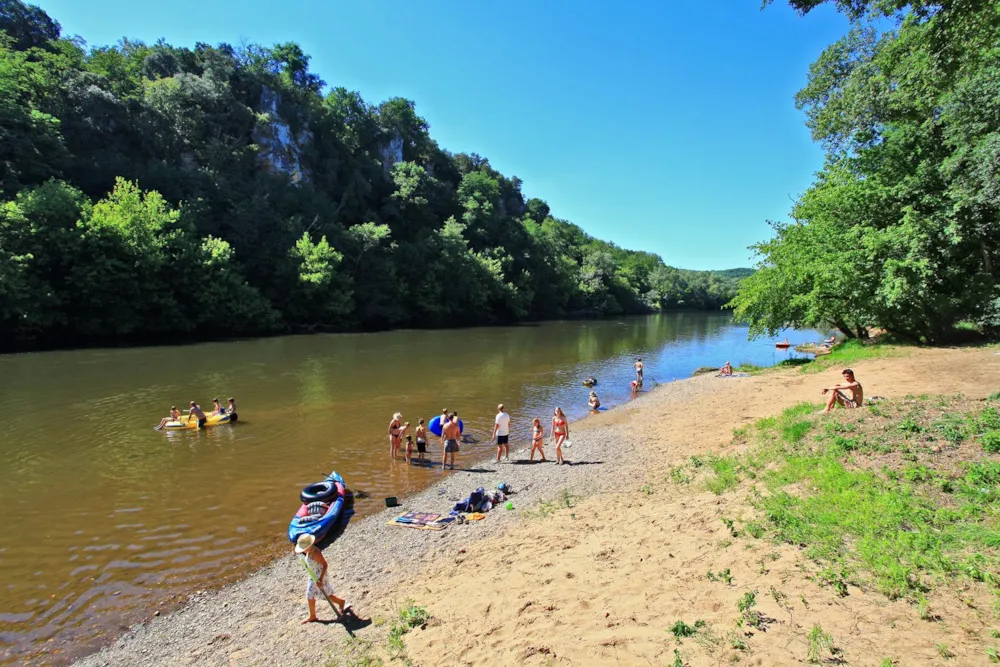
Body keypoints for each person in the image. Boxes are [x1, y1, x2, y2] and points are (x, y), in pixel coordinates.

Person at [295, 534, 350, 623]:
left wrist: (320, 579)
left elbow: (325, 565)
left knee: (326, 595)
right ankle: (312, 616)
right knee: (310, 595)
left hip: (320, 576)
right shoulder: (308, 551)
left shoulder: (316, 552)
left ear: (309, 546)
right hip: (312, 576)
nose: (303, 550)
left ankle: (341, 602)